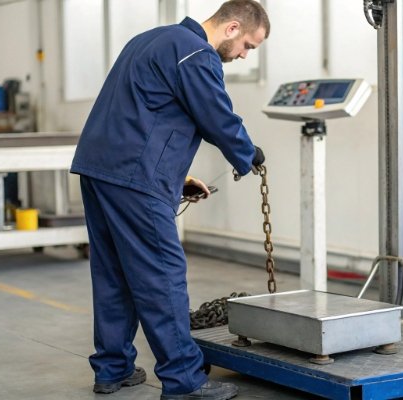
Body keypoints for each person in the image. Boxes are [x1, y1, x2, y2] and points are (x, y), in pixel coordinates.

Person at [69, 1, 270, 399]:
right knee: (162, 276)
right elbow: (217, 116)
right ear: (232, 28)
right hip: (134, 179)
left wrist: (177, 178)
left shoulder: (149, 40)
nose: (245, 55)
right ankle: (184, 381)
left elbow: (143, 116)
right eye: (248, 44)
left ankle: (112, 368)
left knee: (113, 275)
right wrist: (249, 154)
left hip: (100, 171)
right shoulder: (196, 53)